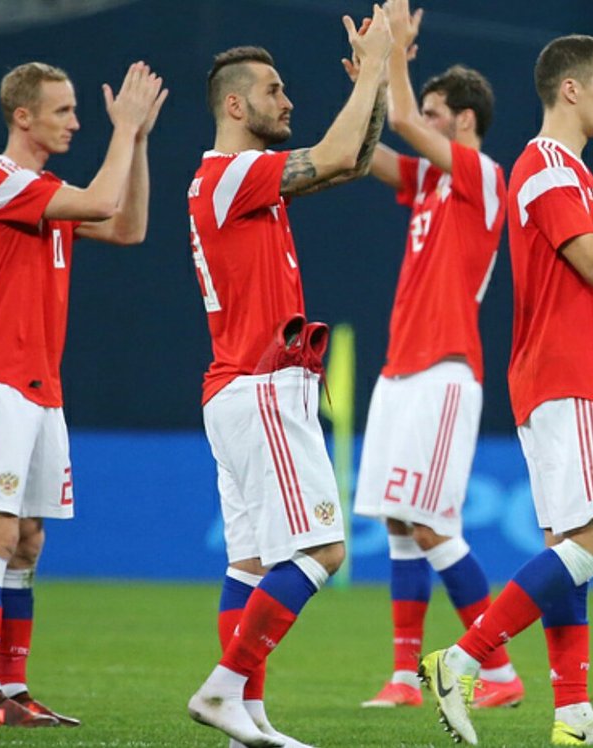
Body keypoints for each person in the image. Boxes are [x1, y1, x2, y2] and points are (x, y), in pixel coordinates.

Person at [419, 35, 593, 747]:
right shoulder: (546, 169)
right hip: (566, 373)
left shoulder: (570, 174)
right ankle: (462, 658)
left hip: (562, 376)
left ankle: (574, 715)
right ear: (570, 89)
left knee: (569, 549)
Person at [184, 8, 392, 748]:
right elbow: (332, 157)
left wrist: (377, 87)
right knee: (323, 551)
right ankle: (222, 690)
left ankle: (247, 718)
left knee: (249, 565)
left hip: (237, 388)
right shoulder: (231, 173)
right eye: (273, 90)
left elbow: (353, 161)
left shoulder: (240, 182)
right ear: (234, 104)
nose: (288, 99)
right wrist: (375, 68)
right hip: (263, 385)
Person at [0, 59, 166, 728]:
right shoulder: (0, 182)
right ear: (23, 117)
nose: (76, 121)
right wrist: (122, 130)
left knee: (28, 539)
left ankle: (11, 688)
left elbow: (127, 226)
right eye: (63, 110)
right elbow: (101, 201)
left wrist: (140, 140)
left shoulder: (43, 191)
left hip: (42, 387)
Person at [352, 0, 522, 712]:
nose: (421, 120)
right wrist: (372, 76)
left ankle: (500, 671)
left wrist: (394, 52)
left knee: (431, 524)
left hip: (446, 371)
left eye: (434, 113)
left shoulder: (483, 175)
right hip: (400, 368)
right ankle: (403, 677)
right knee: (398, 522)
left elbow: (398, 122)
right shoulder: (429, 183)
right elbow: (364, 153)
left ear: (465, 120)